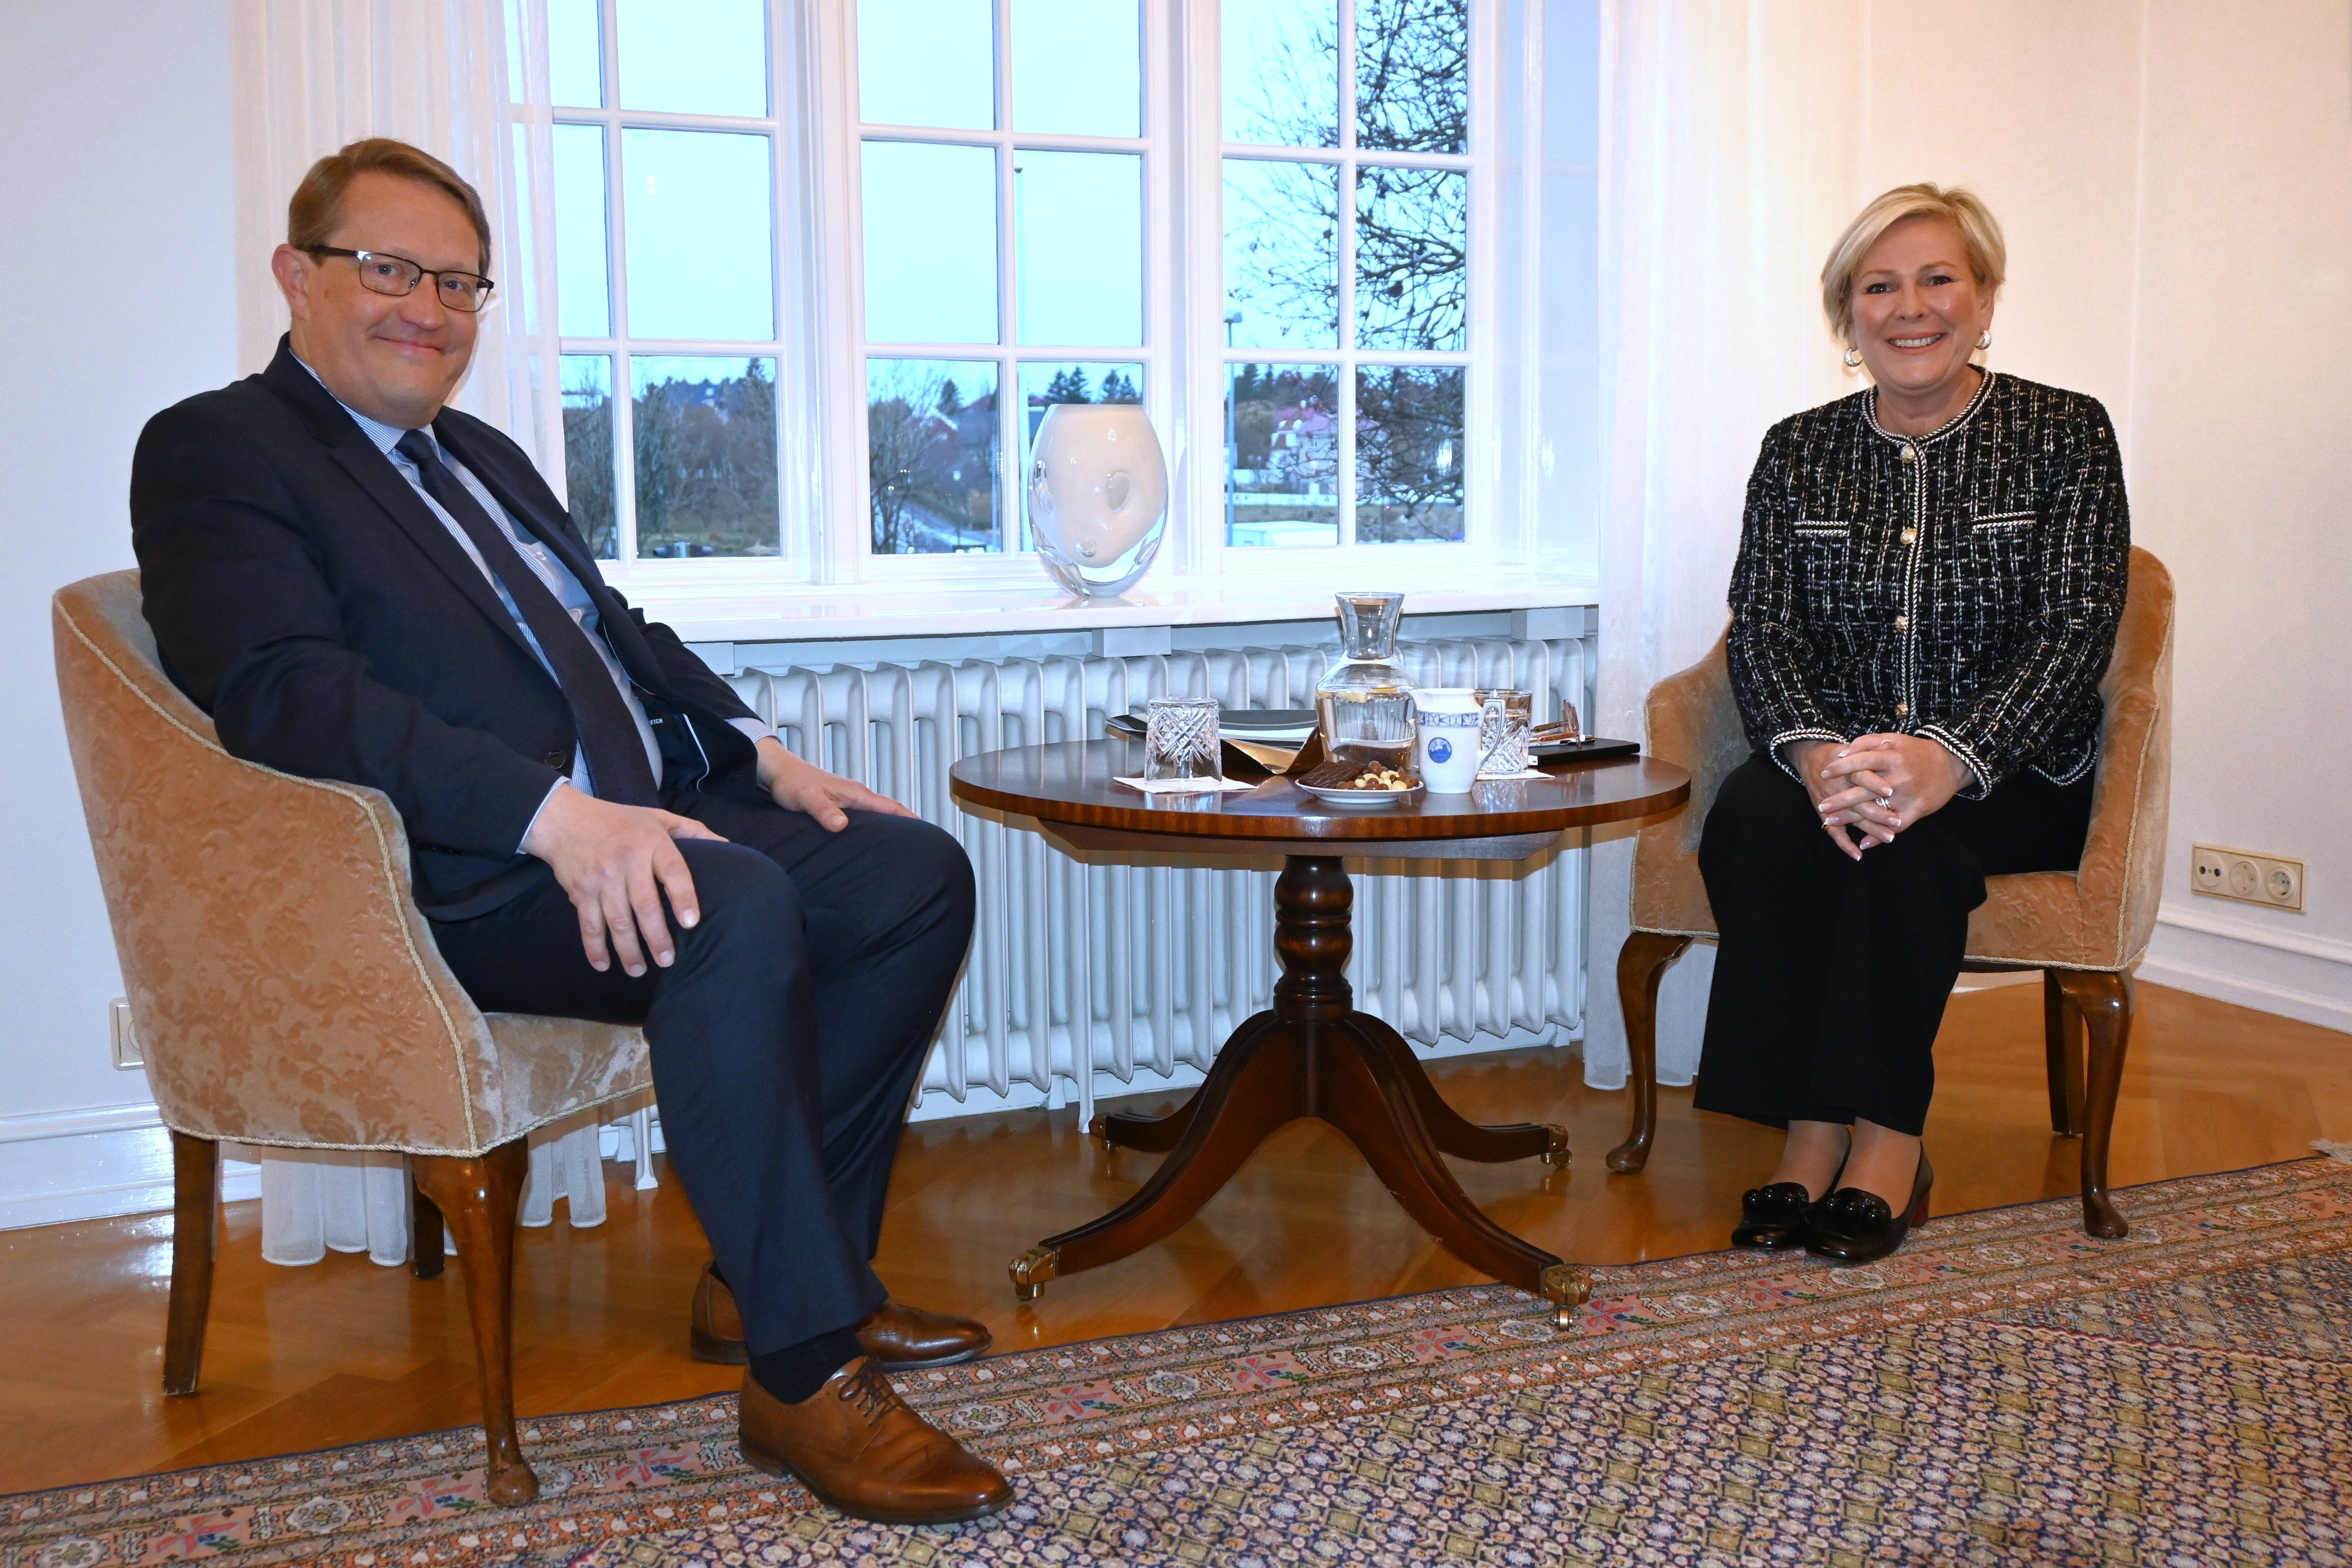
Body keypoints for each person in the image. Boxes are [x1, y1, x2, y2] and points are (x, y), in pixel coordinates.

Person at [130, 139, 1010, 1526]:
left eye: (458, 283)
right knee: (729, 905)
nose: (429, 308)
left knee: (909, 874)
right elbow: (287, 692)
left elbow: (614, 630)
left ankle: (782, 1279)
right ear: (297, 275)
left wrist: (759, 752)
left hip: (640, 811)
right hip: (456, 876)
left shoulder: (475, 454)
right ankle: (802, 1371)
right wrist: (551, 820)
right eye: (391, 270)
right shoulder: (219, 448)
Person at [1694, 184, 2130, 1264]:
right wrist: (1813, 757)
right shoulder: (1797, 450)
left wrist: (1951, 761)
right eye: (1880, 287)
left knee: (1907, 847)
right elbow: (1762, 630)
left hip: (2014, 772)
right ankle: (1808, 1130)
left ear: (1985, 298)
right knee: (1753, 816)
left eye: (1939, 278)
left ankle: (1890, 1140)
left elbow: (2076, 629)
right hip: (1840, 755)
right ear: (1847, 316)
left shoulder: (2066, 432)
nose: (1912, 307)